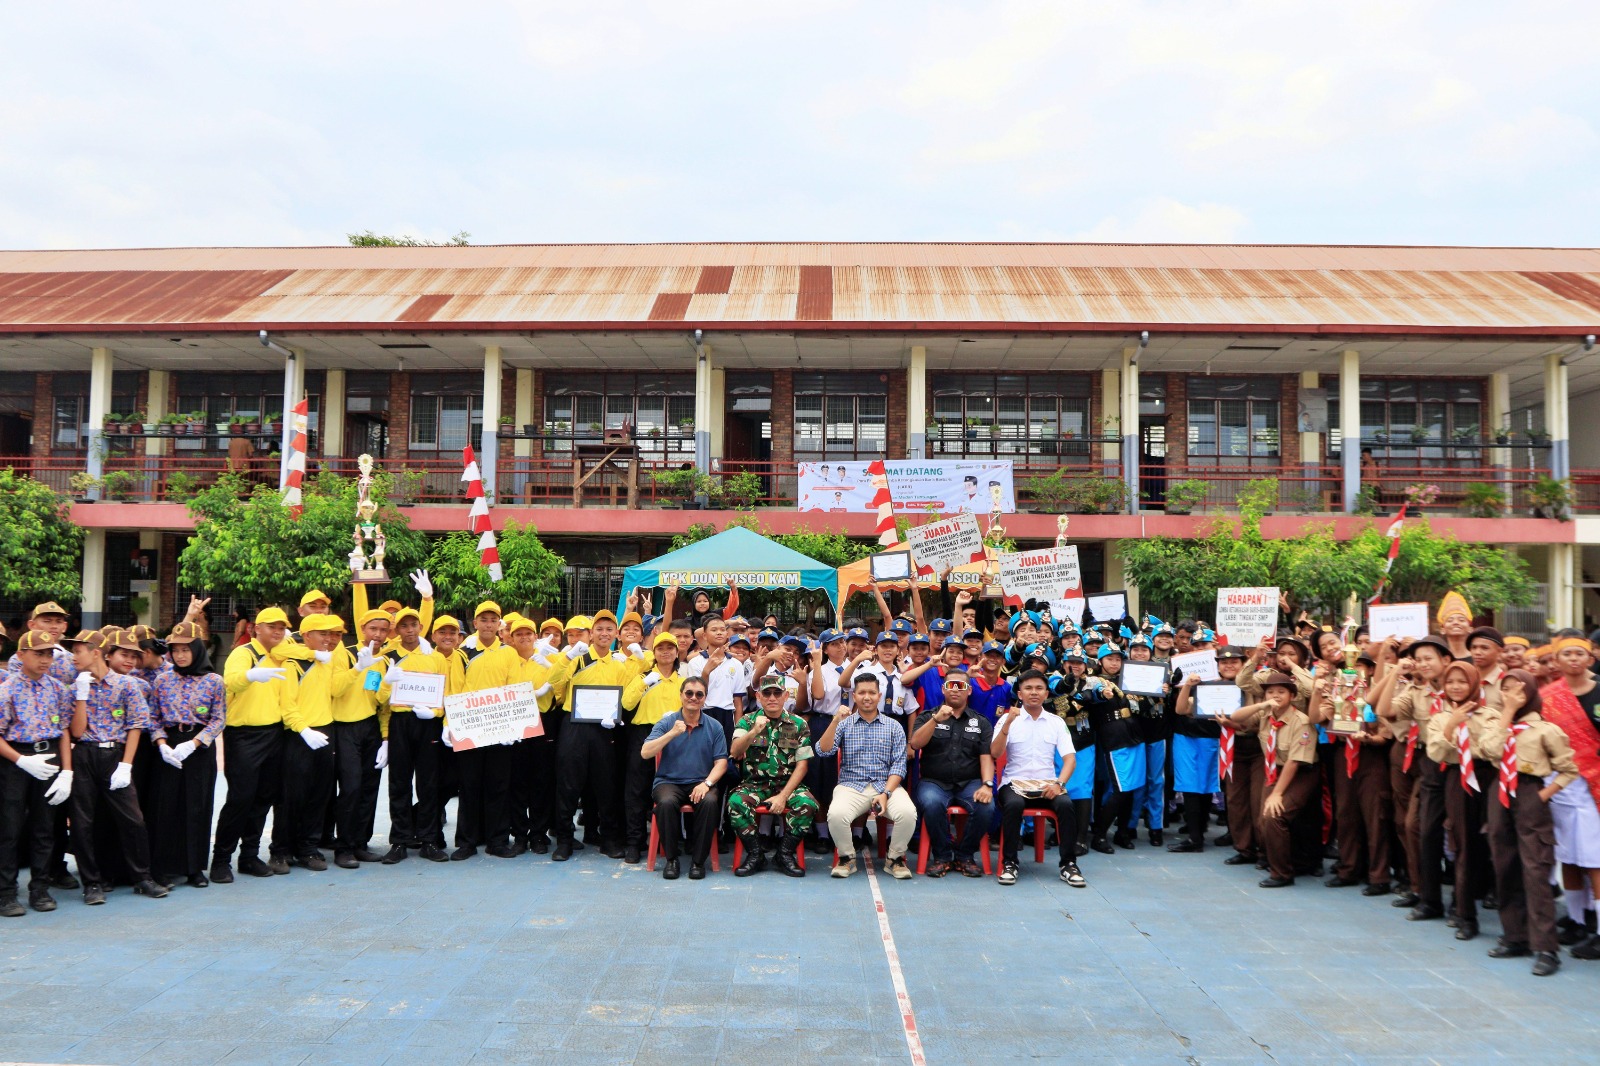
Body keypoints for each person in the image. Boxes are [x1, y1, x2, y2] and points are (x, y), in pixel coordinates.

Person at [1482, 670, 1575, 976]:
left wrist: (1543, 795)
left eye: (1517, 690)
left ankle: (1546, 947)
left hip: (1530, 792)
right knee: (1504, 863)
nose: (1511, 695)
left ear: (1532, 693)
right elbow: (1490, 751)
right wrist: (1506, 712)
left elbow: (1567, 769)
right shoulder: (1498, 723)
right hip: (1500, 793)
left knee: (1535, 869)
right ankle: (1514, 936)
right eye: (1505, 690)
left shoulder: (1546, 729)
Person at [63, 629, 167, 903]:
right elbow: (76, 731)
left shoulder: (127, 685)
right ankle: (92, 882)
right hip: (84, 755)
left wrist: (126, 765)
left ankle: (142, 877)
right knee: (83, 822)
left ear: (96, 652)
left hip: (115, 756)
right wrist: (82, 696)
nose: (74, 657)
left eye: (78, 651)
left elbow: (135, 726)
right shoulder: (75, 689)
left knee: (133, 819)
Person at [212, 607, 299, 883]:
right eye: (271, 626)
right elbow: (231, 681)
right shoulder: (244, 653)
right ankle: (221, 859)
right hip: (244, 735)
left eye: (281, 627)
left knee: (263, 798)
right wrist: (251, 676)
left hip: (274, 734)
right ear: (256, 628)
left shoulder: (283, 656)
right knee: (240, 798)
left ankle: (249, 855)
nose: (277, 631)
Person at [549, 610, 640, 860]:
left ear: (617, 635)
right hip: (574, 725)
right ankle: (565, 840)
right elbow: (555, 680)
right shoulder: (578, 658)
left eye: (609, 629)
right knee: (568, 784)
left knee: (606, 784)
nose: (604, 633)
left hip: (603, 728)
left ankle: (609, 840)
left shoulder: (619, 665)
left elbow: (626, 695)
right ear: (590, 634)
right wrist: (567, 657)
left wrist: (616, 714)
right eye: (599, 629)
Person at [0, 631, 75, 916]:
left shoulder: (58, 689)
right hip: (16, 760)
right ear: (21, 655)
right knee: (10, 828)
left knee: (45, 828)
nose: (45, 660)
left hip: (50, 756)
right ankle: (6, 893)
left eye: (48, 654)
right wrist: (20, 760)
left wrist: (67, 771)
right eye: (38, 653)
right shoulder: (7, 690)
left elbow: (65, 730)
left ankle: (40, 888)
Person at [148, 622, 225, 888]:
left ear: (197, 650)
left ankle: (194, 868)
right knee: (166, 807)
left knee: (197, 806)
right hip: (169, 745)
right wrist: (160, 743)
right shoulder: (162, 680)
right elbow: (153, 717)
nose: (180, 655)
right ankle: (165, 867)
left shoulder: (214, 681)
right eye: (175, 650)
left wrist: (195, 743)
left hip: (199, 747)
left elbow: (218, 719)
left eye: (185, 649)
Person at [1425, 659, 1498, 939]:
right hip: (1458, 779)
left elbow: (1492, 749)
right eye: (1451, 682)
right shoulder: (1441, 717)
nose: (1456, 687)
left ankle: (1504, 909)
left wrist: (1466, 740)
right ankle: (1466, 915)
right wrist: (1451, 727)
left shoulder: (1490, 715)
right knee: (1463, 844)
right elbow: (1436, 752)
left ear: (1474, 684)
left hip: (1487, 779)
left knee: (1492, 843)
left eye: (1462, 681)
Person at [817, 674, 916, 879]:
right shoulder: (844, 724)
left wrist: (887, 793)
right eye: (862, 692)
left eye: (872, 692)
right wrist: (835, 719)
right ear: (854, 695)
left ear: (880, 696)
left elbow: (899, 765)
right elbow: (823, 751)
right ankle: (847, 857)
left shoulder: (894, 726)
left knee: (908, 813)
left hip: (886, 786)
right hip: (851, 785)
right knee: (836, 814)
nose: (867, 697)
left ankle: (894, 859)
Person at [991, 669, 1083, 887]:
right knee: (1013, 805)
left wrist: (1059, 784)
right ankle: (1010, 863)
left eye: (1039, 688)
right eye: (1028, 688)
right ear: (1020, 694)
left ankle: (1068, 864)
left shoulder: (1056, 722)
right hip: (1013, 783)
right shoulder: (1007, 718)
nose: (1034, 692)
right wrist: (1007, 725)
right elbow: (994, 753)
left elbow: (1070, 759)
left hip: (1047, 784)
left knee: (1066, 804)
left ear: (1046, 693)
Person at [1230, 671, 1317, 888]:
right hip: (1274, 770)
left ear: (1292, 695)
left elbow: (1294, 762)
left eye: (1281, 691)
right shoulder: (1265, 714)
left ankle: (1282, 874)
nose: (1276, 695)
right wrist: (1262, 705)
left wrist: (1277, 793)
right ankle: (1280, 861)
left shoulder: (1301, 722)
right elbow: (1236, 718)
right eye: (1270, 691)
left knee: (1274, 815)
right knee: (1263, 819)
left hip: (1301, 773)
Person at [727, 673, 818, 877]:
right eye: (767, 693)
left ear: (786, 696)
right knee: (735, 802)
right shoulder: (747, 720)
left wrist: (783, 796)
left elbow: (802, 766)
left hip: (787, 784)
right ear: (758, 696)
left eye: (777, 693)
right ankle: (755, 854)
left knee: (808, 805)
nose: (772, 698)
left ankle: (784, 854)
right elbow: (734, 751)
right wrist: (753, 732)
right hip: (755, 784)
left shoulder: (798, 724)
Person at [909, 666, 995, 877]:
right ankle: (942, 856)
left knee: (987, 806)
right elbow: (915, 743)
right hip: (934, 782)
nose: (955, 690)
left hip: (970, 782)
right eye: (951, 685)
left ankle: (965, 855)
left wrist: (987, 784)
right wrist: (936, 720)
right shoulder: (928, 716)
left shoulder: (981, 722)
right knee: (932, 803)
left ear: (969, 690)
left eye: (961, 686)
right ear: (943, 689)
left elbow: (986, 757)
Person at [640, 676, 729, 879]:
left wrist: (706, 784)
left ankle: (698, 862)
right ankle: (671, 860)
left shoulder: (714, 726)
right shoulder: (667, 722)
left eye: (699, 694)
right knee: (666, 802)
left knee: (709, 802)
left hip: (701, 782)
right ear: (681, 695)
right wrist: (671, 734)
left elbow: (721, 763)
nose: (693, 698)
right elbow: (645, 752)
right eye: (689, 693)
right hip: (668, 781)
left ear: (705, 698)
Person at [622, 633, 689, 864]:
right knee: (636, 790)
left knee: (669, 790)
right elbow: (626, 703)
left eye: (670, 648)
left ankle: (666, 840)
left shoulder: (683, 682)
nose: (666, 652)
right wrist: (644, 682)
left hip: (673, 737)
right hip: (644, 735)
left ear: (677, 652)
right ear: (654, 652)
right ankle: (634, 842)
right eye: (661, 648)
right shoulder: (643, 676)